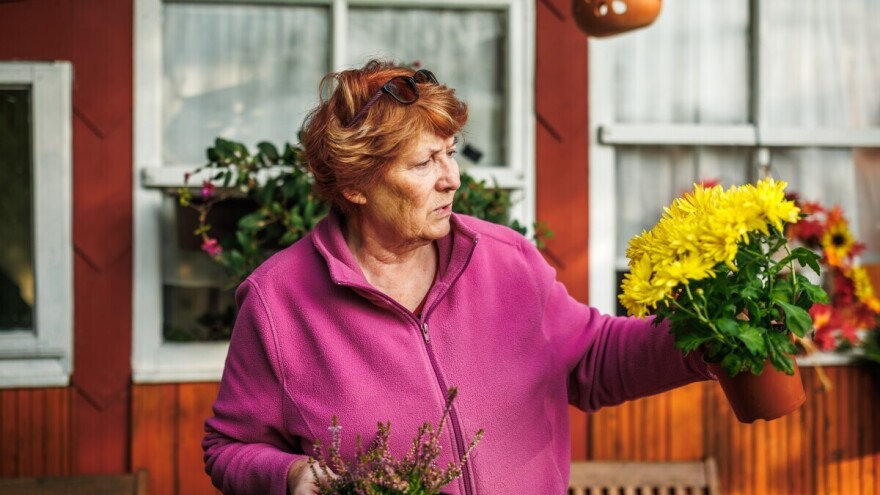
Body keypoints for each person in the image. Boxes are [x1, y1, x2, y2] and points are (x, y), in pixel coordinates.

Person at [202, 59, 714, 495]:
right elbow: (228, 446)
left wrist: (710, 338)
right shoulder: (278, 302)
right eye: (425, 162)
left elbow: (594, 358)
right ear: (357, 185)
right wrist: (290, 474)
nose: (453, 178)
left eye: (449, 152)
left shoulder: (506, 260)